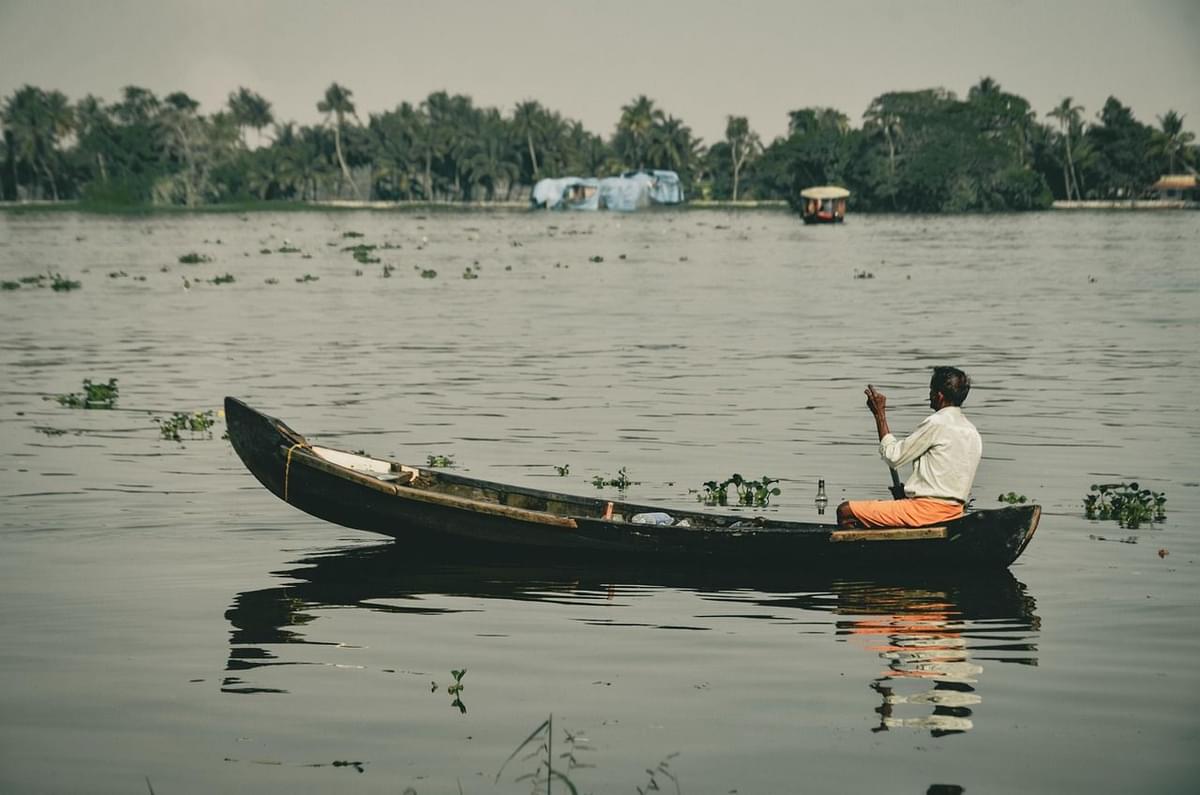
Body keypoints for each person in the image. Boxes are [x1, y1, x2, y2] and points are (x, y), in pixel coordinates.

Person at [837, 366, 982, 528]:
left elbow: (893, 457)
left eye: (931, 391)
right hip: (955, 512)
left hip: (927, 512)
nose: (929, 396)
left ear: (939, 396)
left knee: (845, 511)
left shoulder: (937, 422)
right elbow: (944, 478)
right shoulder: (972, 431)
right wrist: (906, 493)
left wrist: (880, 414)